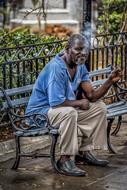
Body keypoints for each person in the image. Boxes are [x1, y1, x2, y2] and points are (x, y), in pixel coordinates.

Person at [26, 34, 122, 177]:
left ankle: (83, 152)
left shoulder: (80, 66)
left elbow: (91, 96)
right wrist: (78, 102)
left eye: (85, 50)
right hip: (40, 114)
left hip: (60, 110)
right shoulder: (56, 68)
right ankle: (64, 159)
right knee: (69, 112)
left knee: (99, 108)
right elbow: (56, 102)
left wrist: (109, 81)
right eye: (78, 49)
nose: (82, 53)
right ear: (67, 49)